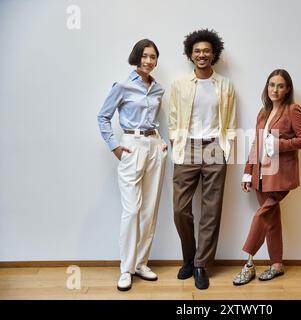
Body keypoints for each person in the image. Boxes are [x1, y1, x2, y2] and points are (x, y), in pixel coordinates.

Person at [97, 39, 168, 291]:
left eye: (153, 57)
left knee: (150, 209)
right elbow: (103, 116)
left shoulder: (158, 89)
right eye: (145, 56)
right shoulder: (123, 85)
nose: (149, 61)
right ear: (136, 57)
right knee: (132, 210)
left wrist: (161, 142)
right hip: (130, 145)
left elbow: (154, 119)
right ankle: (125, 269)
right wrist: (115, 146)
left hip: (153, 147)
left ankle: (141, 263)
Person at [169, 29, 237, 290]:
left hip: (214, 148)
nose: (201, 55)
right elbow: (173, 116)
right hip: (187, 147)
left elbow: (230, 121)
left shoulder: (226, 85)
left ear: (214, 54)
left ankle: (200, 265)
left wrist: (225, 148)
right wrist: (176, 140)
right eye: (197, 51)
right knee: (179, 209)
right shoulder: (179, 84)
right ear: (190, 54)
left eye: (206, 51)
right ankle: (189, 257)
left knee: (211, 209)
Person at [232, 69, 301, 285]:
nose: (274, 89)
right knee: (272, 220)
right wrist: (248, 172)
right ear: (267, 87)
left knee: (262, 215)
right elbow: (256, 144)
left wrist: (279, 144)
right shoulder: (263, 112)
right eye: (271, 85)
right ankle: (277, 264)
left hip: (280, 174)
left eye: (280, 86)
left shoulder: (293, 110)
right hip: (260, 174)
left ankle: (248, 264)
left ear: (287, 90)